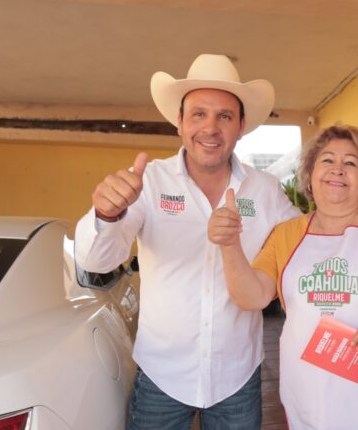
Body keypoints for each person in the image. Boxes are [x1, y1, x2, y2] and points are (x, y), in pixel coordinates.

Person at [74, 54, 302, 429]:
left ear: (241, 125)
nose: (210, 128)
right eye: (198, 114)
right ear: (179, 122)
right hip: (162, 376)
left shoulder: (265, 190)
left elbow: (309, 241)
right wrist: (107, 214)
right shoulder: (149, 182)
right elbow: (97, 261)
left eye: (224, 116)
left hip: (237, 376)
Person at [207, 125, 358, 430]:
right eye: (327, 160)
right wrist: (229, 245)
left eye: (351, 163)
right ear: (310, 176)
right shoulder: (284, 235)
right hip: (306, 392)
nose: (337, 169)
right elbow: (253, 297)